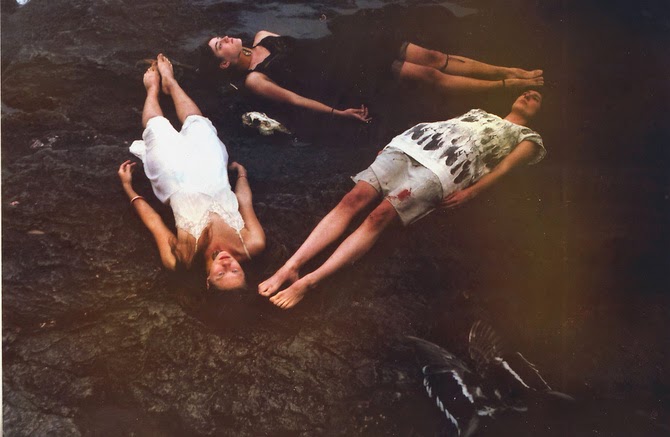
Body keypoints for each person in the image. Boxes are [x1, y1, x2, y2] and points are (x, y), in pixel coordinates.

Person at [258, 90, 545, 308]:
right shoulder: (480, 113)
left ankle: (310, 281)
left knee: (378, 216)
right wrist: (395, 142)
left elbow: (503, 169)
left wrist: (471, 192)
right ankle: (290, 267)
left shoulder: (528, 138)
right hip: (412, 146)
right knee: (352, 199)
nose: (529, 95)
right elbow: (441, 125)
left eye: (536, 98)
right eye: (527, 92)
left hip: (444, 170)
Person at [118, 54, 266, 291]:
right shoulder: (253, 243)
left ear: (208, 282)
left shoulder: (180, 260)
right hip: (213, 175)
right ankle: (170, 82)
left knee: (157, 129)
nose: (227, 264)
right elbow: (245, 203)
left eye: (221, 274)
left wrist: (128, 187)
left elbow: (154, 223)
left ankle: (152, 90)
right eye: (236, 271)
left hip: (174, 181)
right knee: (200, 126)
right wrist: (241, 175)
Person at [200, 30, 544, 123]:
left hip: (349, 47)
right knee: (427, 75)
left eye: (222, 37)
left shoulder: (263, 35)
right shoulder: (255, 80)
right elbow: (296, 99)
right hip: (347, 72)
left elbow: (308, 48)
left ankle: (510, 71)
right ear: (223, 65)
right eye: (220, 46)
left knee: (434, 56)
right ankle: (506, 86)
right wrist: (338, 112)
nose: (226, 38)